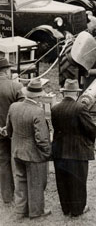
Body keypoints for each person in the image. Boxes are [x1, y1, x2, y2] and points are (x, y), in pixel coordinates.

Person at [4, 79, 51, 219]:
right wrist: (47, 153)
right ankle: (36, 212)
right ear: (38, 97)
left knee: (20, 181)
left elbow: (9, 130)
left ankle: (20, 211)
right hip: (33, 154)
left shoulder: (14, 106)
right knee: (36, 183)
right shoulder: (38, 111)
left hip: (17, 150)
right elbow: (41, 138)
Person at [51, 79, 96, 217]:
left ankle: (66, 209)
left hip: (59, 149)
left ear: (64, 93)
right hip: (77, 151)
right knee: (78, 180)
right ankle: (77, 210)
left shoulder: (55, 108)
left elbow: (56, 128)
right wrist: (90, 140)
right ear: (76, 93)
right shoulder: (80, 108)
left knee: (62, 181)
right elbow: (90, 129)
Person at [0, 57, 24, 205]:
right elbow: (23, 109)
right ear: (7, 71)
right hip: (15, 132)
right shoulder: (16, 86)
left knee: (3, 163)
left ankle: (7, 196)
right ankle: (22, 196)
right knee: (20, 162)